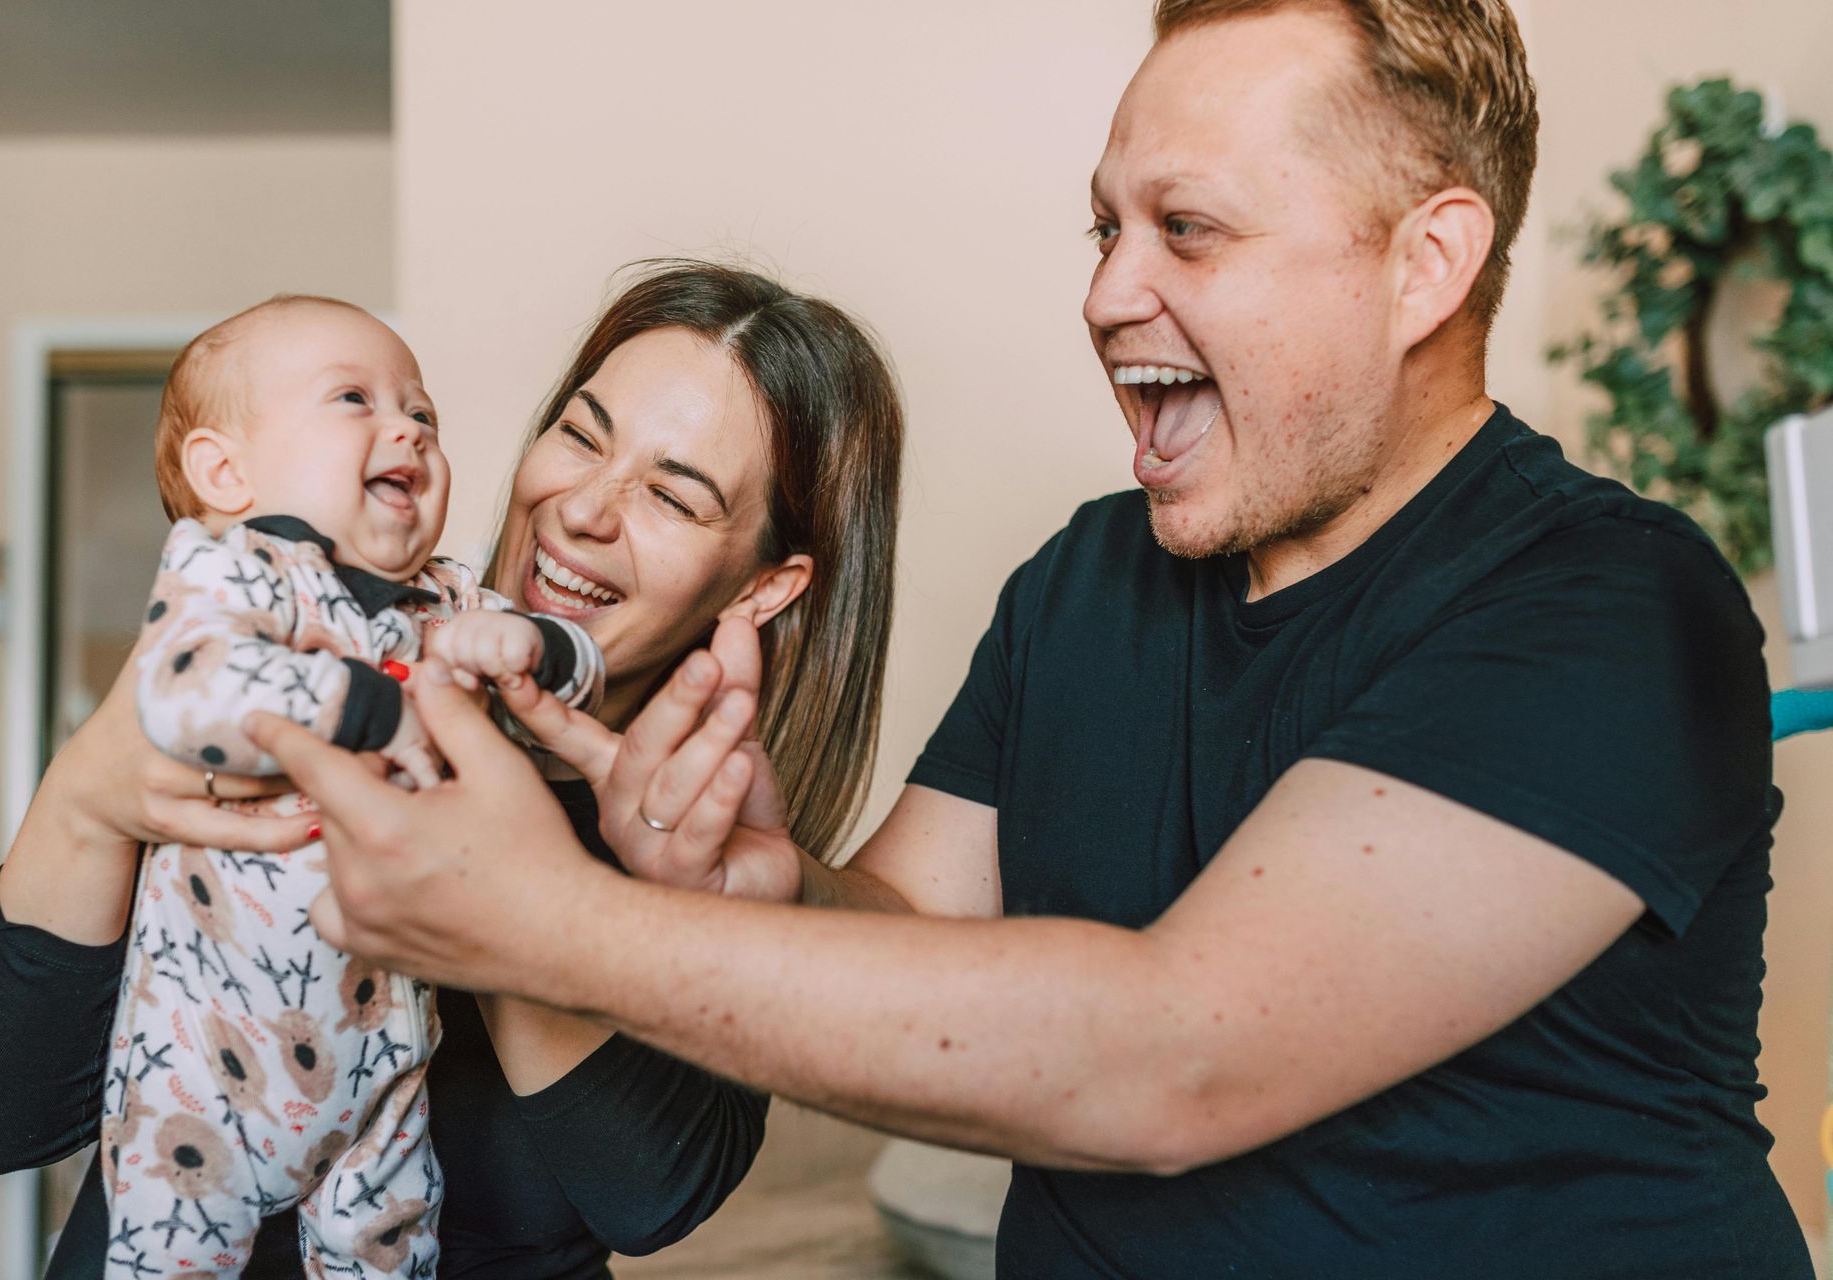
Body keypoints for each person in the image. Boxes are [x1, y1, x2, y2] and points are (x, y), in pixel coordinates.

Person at [247, 3, 1813, 1277]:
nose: (1108, 291)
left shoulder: (1611, 604)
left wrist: (536, 928)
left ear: (1428, 263)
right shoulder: (1089, 580)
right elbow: (916, 932)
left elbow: (1175, 1063)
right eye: (1105, 226)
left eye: (1187, 232)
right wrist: (773, 886)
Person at [0, 262, 905, 1278]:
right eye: (579, 434)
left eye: (672, 493)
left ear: (767, 582)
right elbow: (2, 1117)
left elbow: (650, 1193)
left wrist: (505, 889)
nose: (585, 508)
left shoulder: (708, 848)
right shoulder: (265, 666)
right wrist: (86, 798)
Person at [105, 293, 607, 1277]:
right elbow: (184, 687)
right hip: (205, 1069)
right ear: (225, 471)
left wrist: (538, 642)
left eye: (424, 412)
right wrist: (369, 706)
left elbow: (586, 676)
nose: (410, 427)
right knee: (169, 1255)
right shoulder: (235, 570)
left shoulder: (448, 597)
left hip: (381, 1069)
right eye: (355, 398)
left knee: (391, 1250)